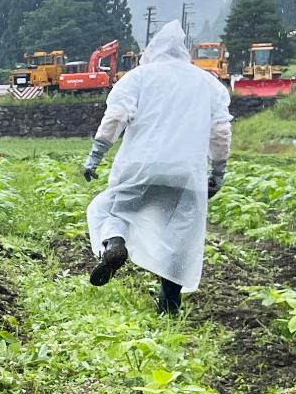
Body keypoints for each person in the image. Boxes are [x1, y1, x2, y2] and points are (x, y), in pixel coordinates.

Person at [82, 22, 232, 317]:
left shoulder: (138, 78)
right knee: (180, 235)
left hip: (140, 167)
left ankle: (114, 243)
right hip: (186, 173)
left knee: (114, 210)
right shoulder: (208, 84)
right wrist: (218, 173)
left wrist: (95, 156)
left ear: (152, 51)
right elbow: (220, 133)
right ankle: (169, 304)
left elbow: (116, 118)